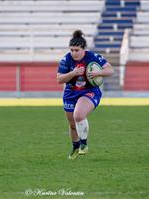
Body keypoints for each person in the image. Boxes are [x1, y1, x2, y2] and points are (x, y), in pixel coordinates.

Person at [57, 30, 114, 160]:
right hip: (70, 93)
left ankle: (84, 144)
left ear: (84, 50)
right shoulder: (66, 59)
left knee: (79, 115)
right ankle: (75, 147)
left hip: (89, 91)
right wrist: (73, 73)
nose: (74, 53)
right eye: (72, 50)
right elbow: (59, 79)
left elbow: (110, 70)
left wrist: (98, 73)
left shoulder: (92, 56)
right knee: (72, 125)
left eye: (77, 50)